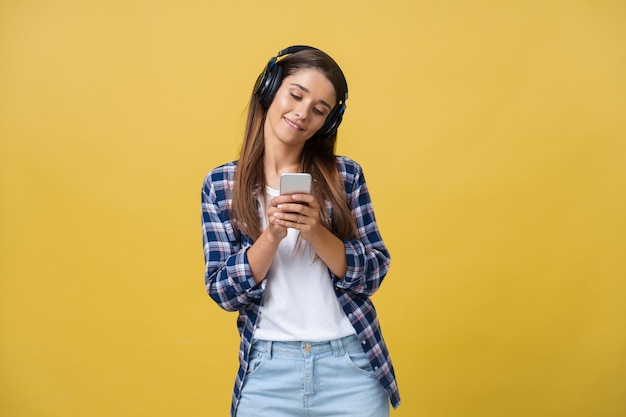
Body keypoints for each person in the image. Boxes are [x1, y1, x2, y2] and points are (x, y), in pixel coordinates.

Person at [201, 45, 400, 417]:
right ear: (269, 89)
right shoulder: (221, 185)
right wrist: (272, 235)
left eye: (319, 110)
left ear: (328, 122)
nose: (302, 113)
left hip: (350, 367)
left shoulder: (345, 176)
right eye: (295, 95)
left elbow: (374, 273)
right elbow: (223, 292)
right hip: (267, 371)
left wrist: (315, 232)